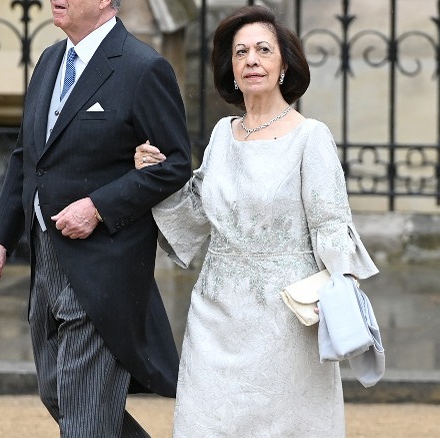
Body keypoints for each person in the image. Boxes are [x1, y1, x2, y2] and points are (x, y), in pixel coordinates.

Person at [135, 5, 379, 436]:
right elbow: (194, 215)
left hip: (286, 319)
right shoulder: (220, 136)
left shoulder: (311, 137)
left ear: (284, 64)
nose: (251, 60)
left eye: (263, 50)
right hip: (215, 316)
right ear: (230, 69)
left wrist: (342, 292)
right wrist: (151, 175)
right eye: (240, 52)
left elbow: (331, 224)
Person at [0, 0, 192, 435]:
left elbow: (175, 163)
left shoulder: (143, 67)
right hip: (46, 257)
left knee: (85, 409)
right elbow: (27, 157)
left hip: (105, 265)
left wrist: (98, 207)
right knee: (59, 394)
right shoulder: (51, 60)